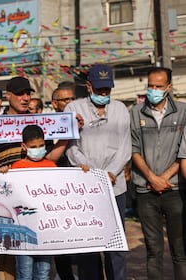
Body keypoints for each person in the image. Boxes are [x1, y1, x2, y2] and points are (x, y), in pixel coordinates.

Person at [0, 76, 69, 280]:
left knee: (39, 261)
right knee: (8, 258)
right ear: (8, 96)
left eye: (28, 94)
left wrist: (70, 132)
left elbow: (49, 157)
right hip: (9, 202)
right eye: (20, 94)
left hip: (38, 205)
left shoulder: (39, 124)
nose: (25, 98)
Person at [65, 64, 131, 280]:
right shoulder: (73, 109)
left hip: (115, 186)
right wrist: (94, 175)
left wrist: (110, 173)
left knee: (115, 245)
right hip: (86, 187)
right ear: (89, 86)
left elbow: (125, 147)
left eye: (107, 90)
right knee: (89, 245)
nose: (104, 94)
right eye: (99, 89)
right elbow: (72, 148)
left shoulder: (120, 109)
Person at [131, 67, 186, 280]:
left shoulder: (182, 112)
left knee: (179, 250)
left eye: (158, 86)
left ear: (169, 88)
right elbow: (134, 149)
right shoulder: (136, 112)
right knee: (153, 250)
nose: (153, 90)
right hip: (146, 189)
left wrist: (164, 178)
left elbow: (184, 152)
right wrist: (152, 178)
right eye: (150, 86)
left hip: (175, 188)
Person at [9, 124, 56, 280]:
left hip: (46, 231)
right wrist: (4, 174)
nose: (38, 149)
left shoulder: (52, 167)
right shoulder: (16, 168)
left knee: (43, 273)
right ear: (24, 146)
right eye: (33, 146)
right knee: (25, 273)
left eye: (41, 145)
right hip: (23, 232)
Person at [51, 84, 77, 280]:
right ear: (54, 104)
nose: (70, 104)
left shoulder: (82, 124)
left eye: (72, 99)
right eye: (65, 100)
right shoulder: (45, 127)